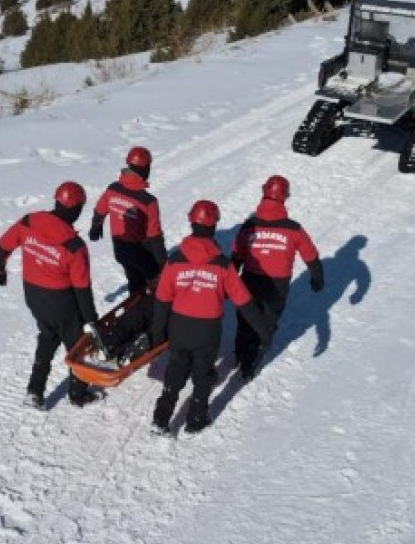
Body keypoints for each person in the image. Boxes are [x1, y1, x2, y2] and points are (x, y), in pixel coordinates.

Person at [149, 200, 262, 435]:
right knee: (203, 375)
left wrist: (157, 333)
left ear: (192, 223)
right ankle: (196, 419)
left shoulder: (175, 260)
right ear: (213, 226)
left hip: (179, 327)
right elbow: (244, 301)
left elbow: (161, 301)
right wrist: (263, 330)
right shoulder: (223, 265)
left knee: (176, 370)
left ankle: (161, 419)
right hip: (207, 331)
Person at [0, 181, 101, 409]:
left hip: (33, 295)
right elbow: (82, 289)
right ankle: (78, 394)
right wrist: (91, 320)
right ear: (77, 208)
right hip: (61, 301)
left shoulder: (30, 221)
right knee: (77, 346)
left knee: (48, 336)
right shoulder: (74, 246)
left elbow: (3, 246)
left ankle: (34, 391)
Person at [231, 175, 324, 381]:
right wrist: (317, 277)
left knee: (246, 317)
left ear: (264, 192)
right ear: (285, 197)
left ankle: (240, 352)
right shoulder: (293, 229)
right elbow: (310, 255)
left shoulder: (249, 226)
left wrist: (229, 279)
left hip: (250, 279)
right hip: (277, 285)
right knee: (267, 321)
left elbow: (237, 254)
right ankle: (251, 361)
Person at [89, 146, 167, 294]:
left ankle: (135, 303)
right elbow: (155, 236)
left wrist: (95, 226)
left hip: (120, 250)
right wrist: (163, 263)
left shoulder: (113, 189)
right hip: (139, 252)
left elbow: (100, 210)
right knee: (158, 281)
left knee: (135, 280)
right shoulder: (148, 201)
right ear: (146, 169)